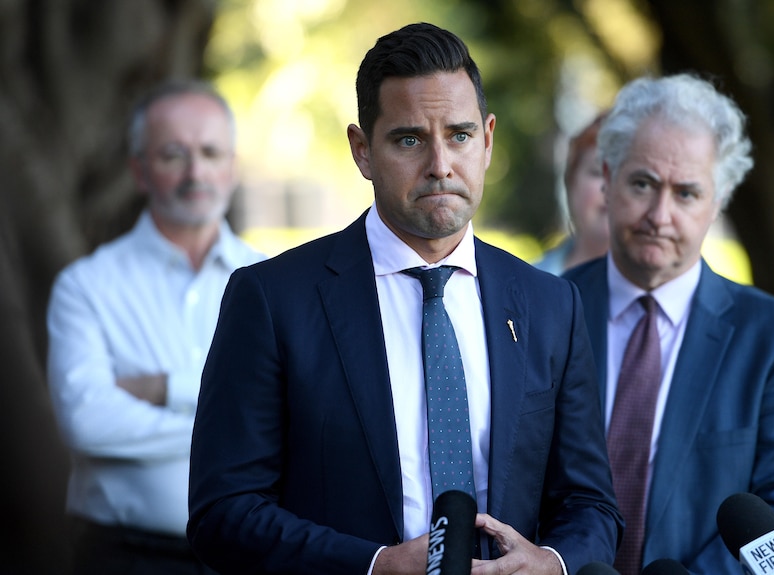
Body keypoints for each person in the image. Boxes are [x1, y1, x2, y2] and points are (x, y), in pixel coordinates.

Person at [187, 22, 622, 575]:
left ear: (488, 140)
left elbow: (592, 506)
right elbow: (222, 513)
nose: (440, 164)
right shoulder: (273, 300)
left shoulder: (549, 304)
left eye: (460, 135)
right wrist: (375, 565)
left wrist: (553, 563)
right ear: (362, 150)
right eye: (410, 139)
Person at [562, 73, 774, 575]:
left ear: (719, 201)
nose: (659, 215)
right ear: (607, 176)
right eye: (642, 183)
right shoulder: (545, 308)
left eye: (686, 193)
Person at [46, 79, 266, 574]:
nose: (196, 172)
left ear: (232, 166)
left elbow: (298, 411)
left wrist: (163, 388)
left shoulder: (276, 282)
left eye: (211, 152)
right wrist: (235, 428)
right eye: (172, 154)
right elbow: (87, 421)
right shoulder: (86, 286)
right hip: (124, 557)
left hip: (248, 552)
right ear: (139, 171)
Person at [535, 112, 609, 275]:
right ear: (571, 180)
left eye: (629, 178)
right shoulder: (527, 284)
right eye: (597, 173)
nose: (611, 188)